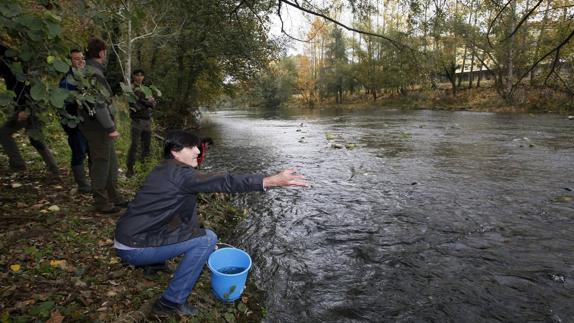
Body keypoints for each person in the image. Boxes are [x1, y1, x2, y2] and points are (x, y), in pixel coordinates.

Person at [114, 130, 307, 316]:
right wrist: (271, 181)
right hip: (135, 248)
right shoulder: (183, 175)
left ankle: (155, 265)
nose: (198, 151)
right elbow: (226, 181)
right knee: (207, 239)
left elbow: (181, 214)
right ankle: (170, 302)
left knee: (196, 235)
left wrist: (194, 233)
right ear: (175, 151)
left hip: (128, 237)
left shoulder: (164, 169)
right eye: (191, 147)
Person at [79, 38, 125, 213]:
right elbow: (99, 104)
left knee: (111, 161)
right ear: (101, 53)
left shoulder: (92, 70)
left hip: (98, 126)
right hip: (97, 127)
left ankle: (114, 196)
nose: (105, 55)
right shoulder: (93, 72)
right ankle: (100, 202)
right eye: (105, 52)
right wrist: (110, 127)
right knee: (101, 162)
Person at [0, 43, 60, 175]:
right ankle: (54, 168)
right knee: (35, 138)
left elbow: (26, 87)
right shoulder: (13, 62)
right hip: (30, 105)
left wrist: (25, 110)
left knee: (4, 133)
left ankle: (18, 164)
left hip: (27, 106)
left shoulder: (13, 66)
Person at [59, 49, 91, 193]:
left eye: (82, 58)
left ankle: (94, 181)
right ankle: (82, 185)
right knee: (79, 152)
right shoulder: (67, 81)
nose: (80, 61)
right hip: (74, 122)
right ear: (70, 61)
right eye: (76, 59)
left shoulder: (87, 75)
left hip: (88, 122)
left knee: (91, 151)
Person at [126, 69, 157, 178]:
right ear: (133, 76)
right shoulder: (131, 89)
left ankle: (145, 169)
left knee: (146, 146)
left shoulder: (146, 89)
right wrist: (147, 102)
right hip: (137, 121)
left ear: (143, 77)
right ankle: (130, 169)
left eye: (141, 75)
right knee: (134, 145)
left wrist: (148, 102)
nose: (139, 77)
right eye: (137, 75)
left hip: (147, 121)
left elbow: (153, 104)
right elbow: (135, 106)